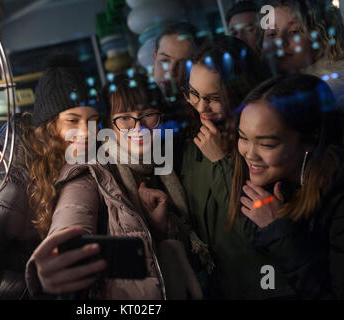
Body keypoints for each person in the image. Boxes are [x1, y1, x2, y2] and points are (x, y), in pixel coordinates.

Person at [25, 73, 212, 300]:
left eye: (147, 115)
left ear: (160, 116)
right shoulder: (93, 170)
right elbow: (74, 213)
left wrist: (158, 227)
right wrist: (59, 255)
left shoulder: (173, 160)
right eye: (124, 118)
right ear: (108, 125)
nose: (138, 127)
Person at [0, 55, 103, 299]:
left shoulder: (72, 160)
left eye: (93, 121)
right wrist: (38, 287)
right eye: (72, 120)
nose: (86, 132)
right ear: (49, 124)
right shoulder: (11, 179)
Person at [229, 74, 344, 299]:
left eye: (266, 144)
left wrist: (278, 231)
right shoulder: (272, 182)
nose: (249, 154)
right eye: (243, 137)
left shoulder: (338, 196)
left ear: (310, 141)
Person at [180, 35, 268, 299]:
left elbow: (258, 233)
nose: (200, 107)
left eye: (213, 98)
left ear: (239, 91)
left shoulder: (261, 142)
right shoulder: (195, 139)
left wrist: (221, 162)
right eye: (193, 94)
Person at [256, 0, 344, 109]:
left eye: (294, 32)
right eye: (272, 34)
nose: (279, 41)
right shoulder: (259, 90)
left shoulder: (328, 93)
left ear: (322, 37)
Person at [152, 22, 203, 173]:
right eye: (165, 61)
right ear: (154, 58)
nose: (171, 71)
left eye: (182, 63)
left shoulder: (201, 112)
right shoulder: (138, 107)